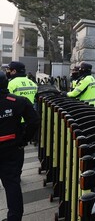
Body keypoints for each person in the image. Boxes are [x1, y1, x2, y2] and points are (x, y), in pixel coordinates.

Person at [0, 70, 40, 221]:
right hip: (12, 148)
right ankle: (14, 218)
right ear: (6, 83)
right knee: (12, 184)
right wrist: (24, 140)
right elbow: (34, 121)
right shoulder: (18, 101)